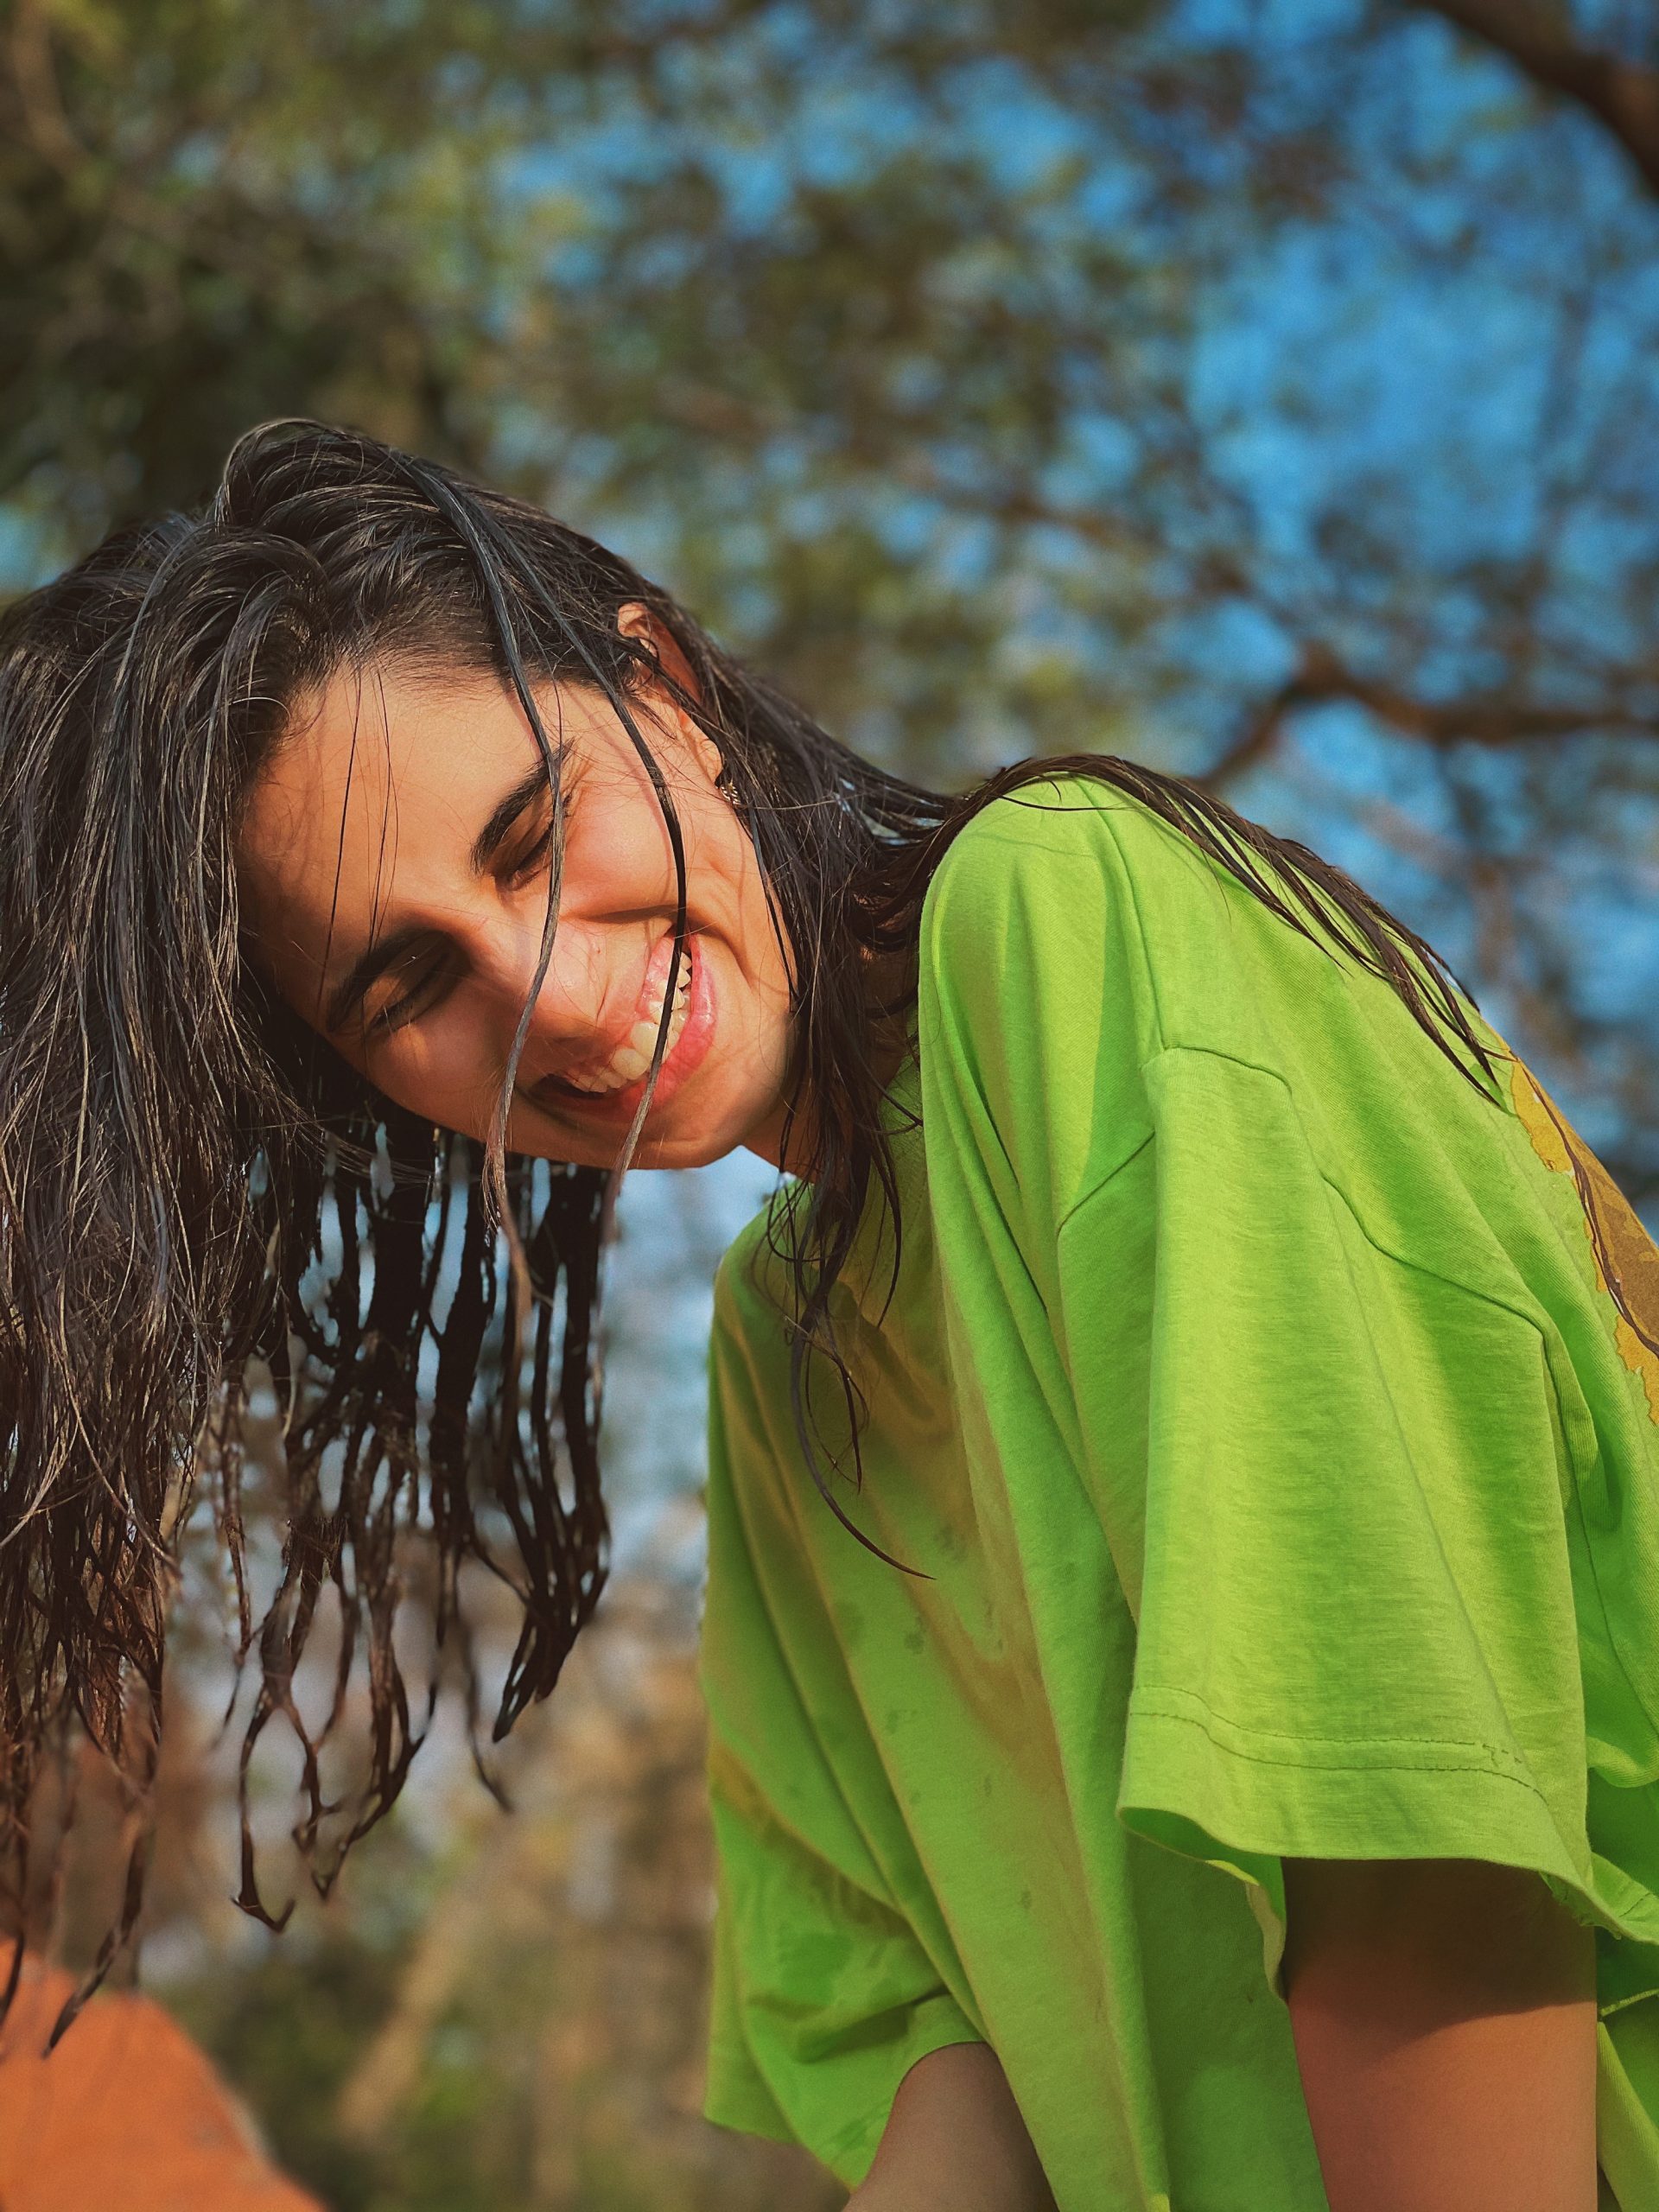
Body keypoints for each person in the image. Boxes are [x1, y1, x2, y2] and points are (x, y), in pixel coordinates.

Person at [1, 419, 1656, 2211]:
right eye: (410, 986)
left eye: (535, 836)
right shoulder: (777, 1354)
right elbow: (965, 2069)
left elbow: (1414, 1841)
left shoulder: (1061, 905)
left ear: (669, 687)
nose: (552, 996)